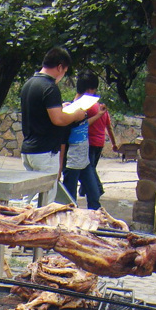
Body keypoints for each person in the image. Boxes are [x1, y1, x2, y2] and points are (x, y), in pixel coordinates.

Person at [19, 46, 90, 199]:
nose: (63, 75)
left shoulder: (29, 84)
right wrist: (76, 115)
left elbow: (43, 112)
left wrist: (61, 107)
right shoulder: (50, 87)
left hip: (29, 149)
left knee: (28, 196)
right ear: (59, 67)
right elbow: (58, 119)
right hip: (45, 151)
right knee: (44, 198)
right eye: (64, 71)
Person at [60, 72, 104, 210]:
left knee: (94, 195)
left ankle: (95, 225)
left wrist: (99, 115)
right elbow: (62, 137)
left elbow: (83, 125)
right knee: (70, 202)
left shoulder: (82, 110)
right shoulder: (69, 109)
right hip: (72, 162)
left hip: (84, 161)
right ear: (89, 90)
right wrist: (60, 165)